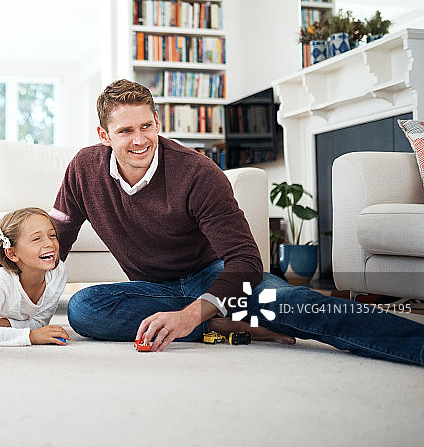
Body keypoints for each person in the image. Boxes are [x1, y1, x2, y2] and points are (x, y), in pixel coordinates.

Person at [51, 78, 424, 366]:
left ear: (157, 122)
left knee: (293, 303)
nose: (140, 140)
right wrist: (18, 307)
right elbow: (55, 241)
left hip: (217, 278)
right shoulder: (85, 170)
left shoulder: (197, 172)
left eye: (146, 126)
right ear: (104, 136)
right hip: (156, 290)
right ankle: (222, 322)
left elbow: (247, 262)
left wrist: (191, 315)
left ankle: (417, 346)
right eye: (125, 131)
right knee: (84, 308)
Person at [0, 207, 70, 346]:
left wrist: (8, 324)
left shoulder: (58, 272)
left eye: (52, 235)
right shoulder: (2, 279)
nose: (49, 243)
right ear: (13, 253)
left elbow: (40, 322)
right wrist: (31, 336)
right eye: (37, 238)